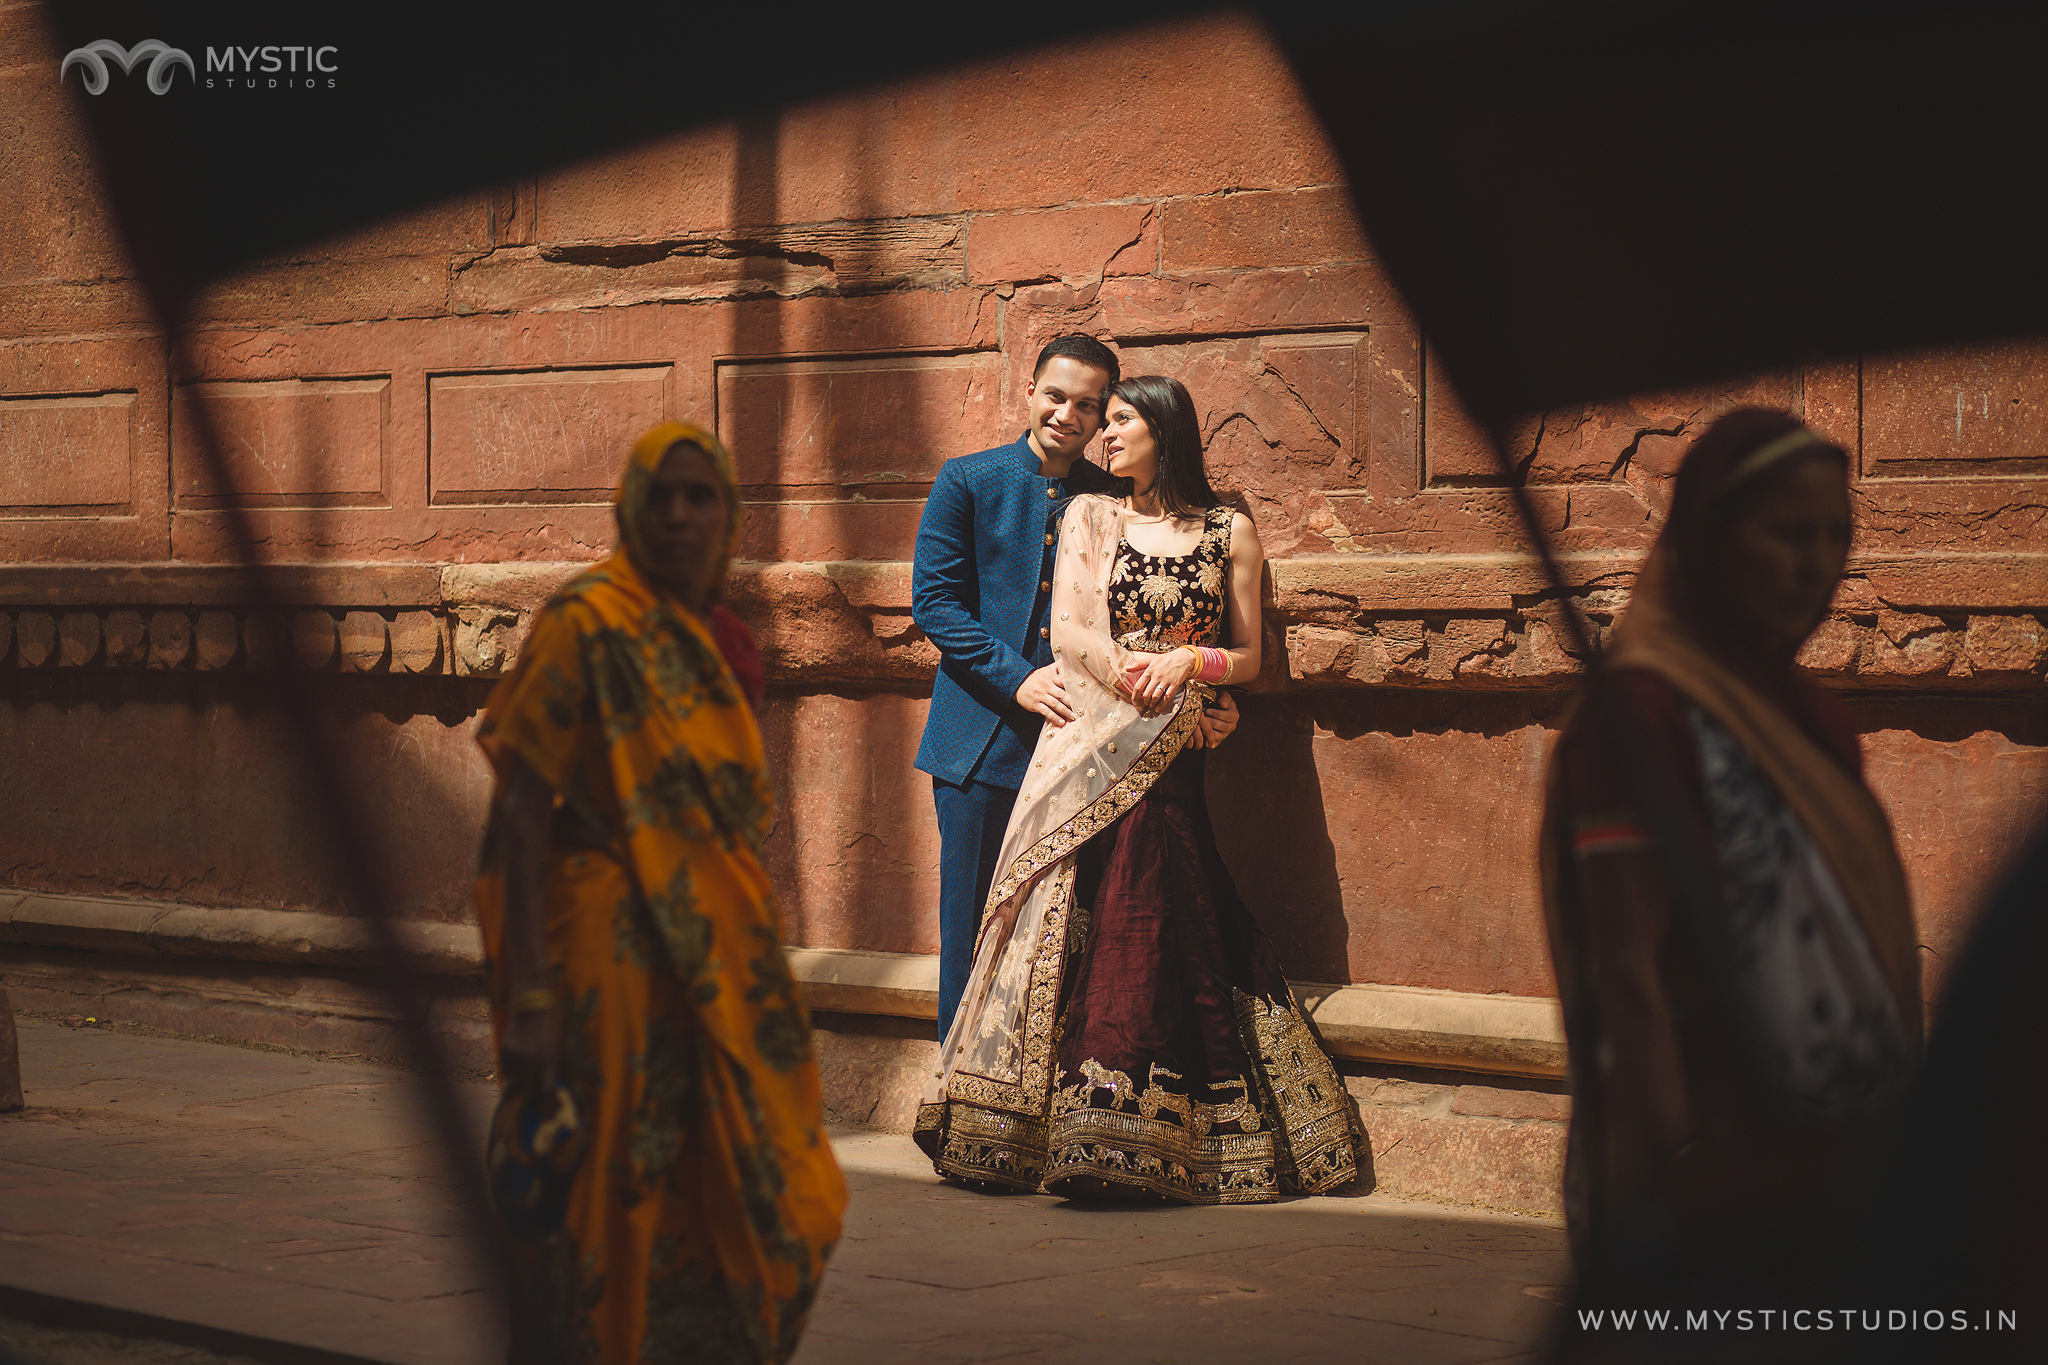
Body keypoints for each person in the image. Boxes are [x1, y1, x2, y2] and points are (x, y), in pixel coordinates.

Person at [913, 375, 1364, 1204]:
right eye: (1089, 411)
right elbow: (1066, 627)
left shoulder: (1231, 529)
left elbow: (1248, 655)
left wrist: (1195, 673)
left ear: (1162, 427)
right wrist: (1138, 684)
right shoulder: (1083, 511)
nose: (1097, 432)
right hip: (1080, 739)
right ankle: (999, 1119)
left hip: (1173, 751)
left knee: (1165, 911)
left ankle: (1156, 1125)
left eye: (1114, 417)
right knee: (1020, 922)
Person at [473, 422, 844, 1365]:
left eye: (700, 496)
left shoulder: (724, 641)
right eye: (662, 496)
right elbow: (518, 812)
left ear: (728, 516)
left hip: (721, 960)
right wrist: (531, 997)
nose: (680, 515)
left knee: (765, 1183)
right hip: (604, 960)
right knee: (609, 1183)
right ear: (631, 509)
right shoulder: (585, 619)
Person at [1539, 409, 1920, 1303]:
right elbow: (1624, 969)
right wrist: (1680, 1166)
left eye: (1837, 536)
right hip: (1710, 1162)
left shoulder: (1815, 718)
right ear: (1710, 538)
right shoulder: (1640, 719)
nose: (1816, 564)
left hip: (1845, 1154)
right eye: (1789, 533)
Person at [912, 336, 1239, 1039]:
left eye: (1088, 406)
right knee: (972, 930)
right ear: (1028, 391)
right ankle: (956, 1114)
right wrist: (1019, 679)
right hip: (980, 746)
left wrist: (1203, 693)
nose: (1067, 414)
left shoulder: (1114, 495)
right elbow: (935, 603)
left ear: (1102, 419)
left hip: (1093, 748)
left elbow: (1161, 617)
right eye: (1056, 396)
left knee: (1071, 942)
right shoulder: (967, 479)